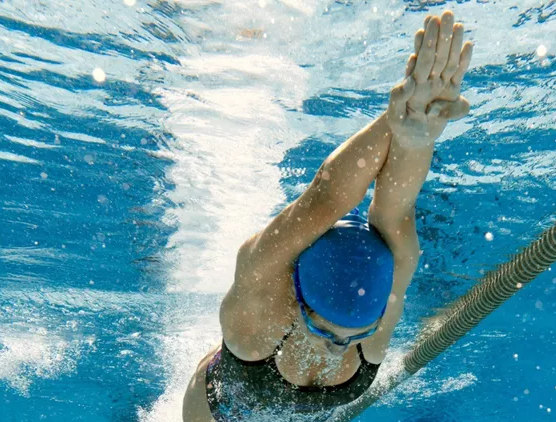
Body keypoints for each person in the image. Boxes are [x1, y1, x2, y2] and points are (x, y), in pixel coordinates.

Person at [183, 10, 474, 422]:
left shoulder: (379, 312)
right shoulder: (258, 312)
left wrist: (414, 133)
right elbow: (325, 198)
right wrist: (386, 123)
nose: (339, 347)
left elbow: (395, 210)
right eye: (323, 329)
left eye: (358, 334)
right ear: (298, 298)